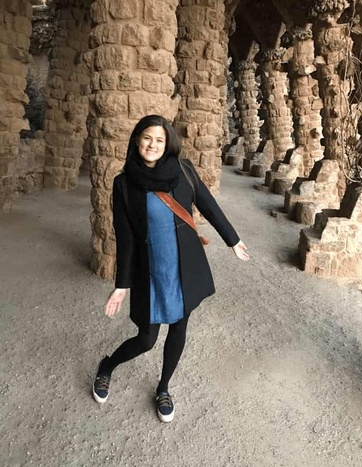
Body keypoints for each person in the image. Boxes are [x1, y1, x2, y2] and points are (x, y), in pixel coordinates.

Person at [92, 115, 249, 422]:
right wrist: (121, 285)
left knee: (179, 327)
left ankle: (163, 388)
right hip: (151, 270)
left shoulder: (183, 170)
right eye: (147, 138)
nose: (152, 144)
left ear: (168, 144)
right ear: (137, 140)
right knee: (147, 339)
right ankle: (107, 366)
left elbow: (208, 205)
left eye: (159, 140)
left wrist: (233, 239)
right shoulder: (124, 184)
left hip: (184, 266)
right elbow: (125, 238)